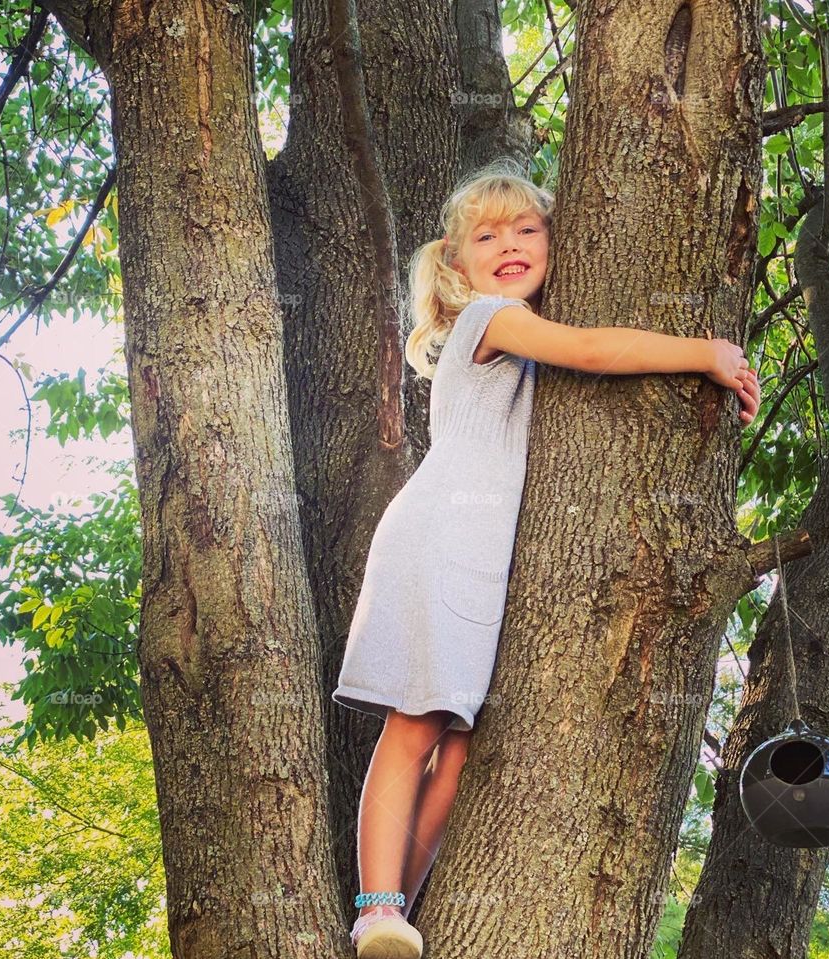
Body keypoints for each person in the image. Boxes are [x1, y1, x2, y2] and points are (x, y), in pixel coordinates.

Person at [332, 159, 760, 958]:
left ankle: (397, 918)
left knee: (459, 753)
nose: (509, 244)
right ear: (458, 266)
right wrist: (705, 351)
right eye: (486, 236)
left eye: (528, 228)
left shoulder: (515, 334)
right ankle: (376, 908)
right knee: (415, 724)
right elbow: (593, 349)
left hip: (480, 558)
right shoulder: (490, 319)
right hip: (439, 538)